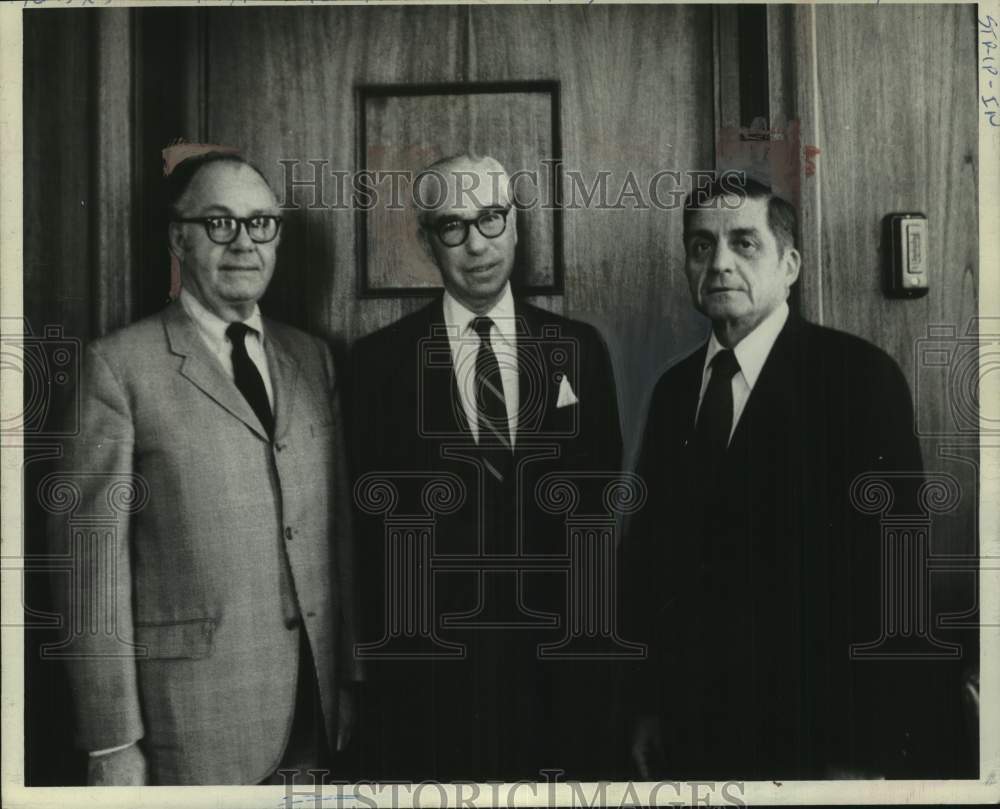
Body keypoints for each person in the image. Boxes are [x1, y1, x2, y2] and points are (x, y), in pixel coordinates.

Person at [625, 178, 960, 779]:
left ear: (790, 265)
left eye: (744, 243)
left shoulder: (856, 377)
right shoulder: (675, 391)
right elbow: (651, 563)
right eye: (701, 246)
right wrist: (648, 707)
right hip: (694, 731)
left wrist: (865, 749)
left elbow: (893, 572)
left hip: (819, 733)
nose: (719, 262)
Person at [48, 152, 360, 785]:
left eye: (260, 224)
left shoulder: (312, 358)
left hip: (316, 712)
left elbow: (337, 535)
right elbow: (90, 572)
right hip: (189, 727)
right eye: (219, 223)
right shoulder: (119, 368)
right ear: (178, 239)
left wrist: (349, 677)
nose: (244, 242)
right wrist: (112, 743)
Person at [351, 154, 623, 781]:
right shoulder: (377, 366)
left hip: (560, 674)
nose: (476, 244)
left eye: (491, 219)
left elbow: (597, 506)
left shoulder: (579, 351)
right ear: (428, 241)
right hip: (432, 684)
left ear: (517, 224)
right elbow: (369, 538)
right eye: (453, 226)